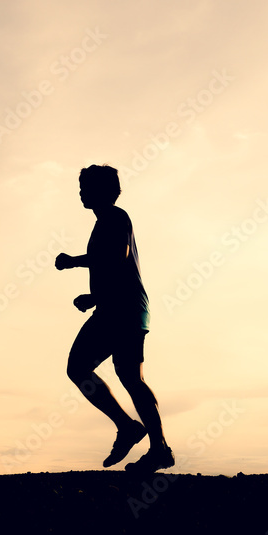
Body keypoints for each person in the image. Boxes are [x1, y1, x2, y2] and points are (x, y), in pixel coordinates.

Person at [55, 164, 173, 474]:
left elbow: (115, 258)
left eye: (87, 187)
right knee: (128, 377)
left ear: (106, 191)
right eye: (81, 186)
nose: (81, 192)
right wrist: (93, 297)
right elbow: (113, 269)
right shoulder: (105, 222)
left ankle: (132, 430)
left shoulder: (116, 217)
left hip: (123, 310)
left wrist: (73, 262)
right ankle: (154, 445)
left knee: (81, 367)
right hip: (120, 307)